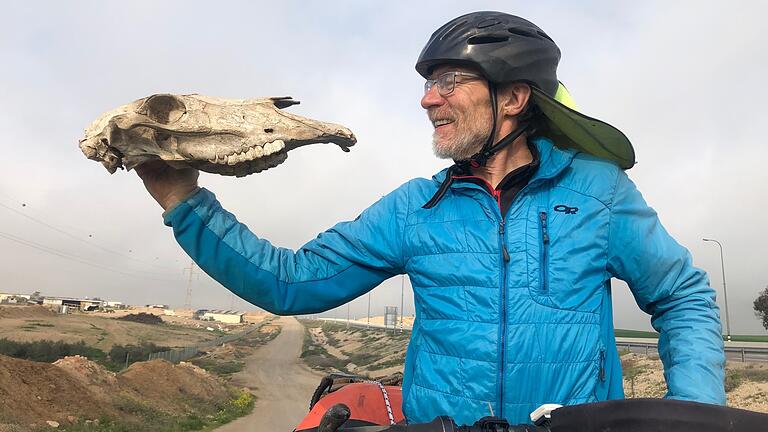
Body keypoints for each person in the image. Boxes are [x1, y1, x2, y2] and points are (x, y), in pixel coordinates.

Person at [136, 11, 725, 426]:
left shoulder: (597, 192)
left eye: (448, 82)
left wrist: (692, 413)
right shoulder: (415, 209)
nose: (427, 99)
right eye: (426, 85)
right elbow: (290, 283)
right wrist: (184, 203)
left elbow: (682, 296)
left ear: (513, 98)